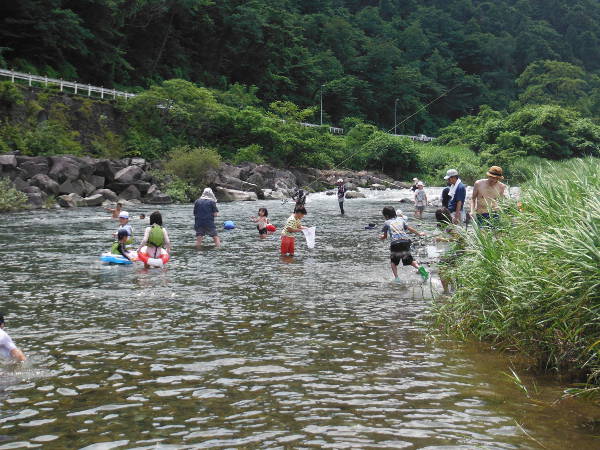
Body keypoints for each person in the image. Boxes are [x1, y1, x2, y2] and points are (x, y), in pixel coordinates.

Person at [380, 206, 429, 282]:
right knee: (409, 260)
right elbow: (410, 228)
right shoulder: (401, 219)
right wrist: (419, 234)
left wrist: (381, 237)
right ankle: (420, 269)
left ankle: (397, 278)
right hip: (405, 242)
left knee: (393, 262)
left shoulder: (386, 223)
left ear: (386, 216)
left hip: (395, 243)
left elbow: (385, 236)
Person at [435, 208, 465, 294]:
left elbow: (458, 238)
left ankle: (447, 292)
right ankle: (453, 290)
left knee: (442, 272)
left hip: (448, 254)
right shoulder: (447, 227)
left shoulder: (448, 228)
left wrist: (443, 239)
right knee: (451, 272)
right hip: (451, 253)